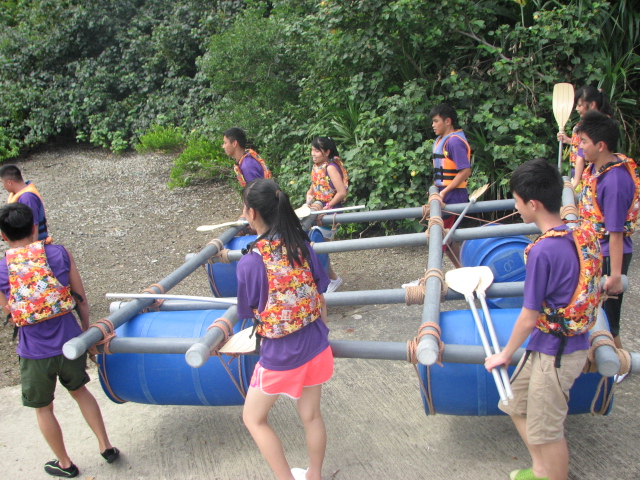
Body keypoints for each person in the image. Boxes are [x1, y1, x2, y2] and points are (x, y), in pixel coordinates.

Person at [485, 158, 602, 480]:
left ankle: (554, 476)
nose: (516, 207)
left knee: (548, 431)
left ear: (533, 204)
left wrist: (504, 354)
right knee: (515, 403)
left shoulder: (542, 251)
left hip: (558, 354)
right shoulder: (577, 233)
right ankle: (541, 470)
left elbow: (528, 316)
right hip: (548, 345)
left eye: (517, 201)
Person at [0, 202, 119, 478]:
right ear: (34, 228)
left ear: (3, 236)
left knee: (43, 409)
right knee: (80, 392)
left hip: (33, 351)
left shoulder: (3, 267)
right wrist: (87, 333)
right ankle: (106, 446)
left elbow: (9, 311)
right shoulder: (59, 253)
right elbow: (81, 298)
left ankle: (65, 463)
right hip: (70, 341)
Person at [237, 178, 333, 480]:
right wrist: (321, 334)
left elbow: (248, 311)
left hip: (281, 356)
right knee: (311, 416)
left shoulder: (251, 261)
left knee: (253, 418)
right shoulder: (300, 245)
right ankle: (314, 475)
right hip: (316, 345)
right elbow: (320, 295)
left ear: (252, 213)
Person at [576, 111, 638, 381]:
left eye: (584, 142)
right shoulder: (597, 168)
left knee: (609, 314)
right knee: (596, 308)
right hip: (596, 248)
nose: (580, 147)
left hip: (611, 254)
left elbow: (615, 232)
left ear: (601, 145)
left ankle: (620, 363)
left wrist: (614, 276)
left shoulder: (614, 181)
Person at [430, 103, 472, 268]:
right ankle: (462, 270)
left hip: (453, 195)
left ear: (447, 121)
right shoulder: (442, 140)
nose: (433, 125)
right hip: (444, 193)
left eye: (436, 121)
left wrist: (444, 191)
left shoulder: (454, 142)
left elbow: (465, 171)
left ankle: (461, 271)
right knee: (444, 238)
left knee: (443, 238)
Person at [305, 136, 348, 293]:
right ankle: (329, 278)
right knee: (319, 246)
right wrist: (309, 198)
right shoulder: (318, 167)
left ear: (327, 152)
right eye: (312, 150)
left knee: (320, 246)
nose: (313, 153)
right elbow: (313, 188)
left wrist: (327, 207)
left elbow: (341, 192)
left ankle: (332, 279)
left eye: (317, 151)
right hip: (319, 208)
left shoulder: (330, 167)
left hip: (330, 211)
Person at [556, 86, 613, 189]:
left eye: (579, 105)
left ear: (592, 104)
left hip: (587, 178)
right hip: (592, 175)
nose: (577, 109)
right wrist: (569, 140)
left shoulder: (593, 125)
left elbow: (582, 154)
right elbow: (590, 144)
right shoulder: (605, 121)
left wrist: (576, 181)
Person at [0, 164, 50, 241]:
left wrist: (32, 247)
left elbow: (33, 225)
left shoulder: (27, 198)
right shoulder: (19, 195)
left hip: (36, 244)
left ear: (9, 182)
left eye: (2, 182)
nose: (3, 186)